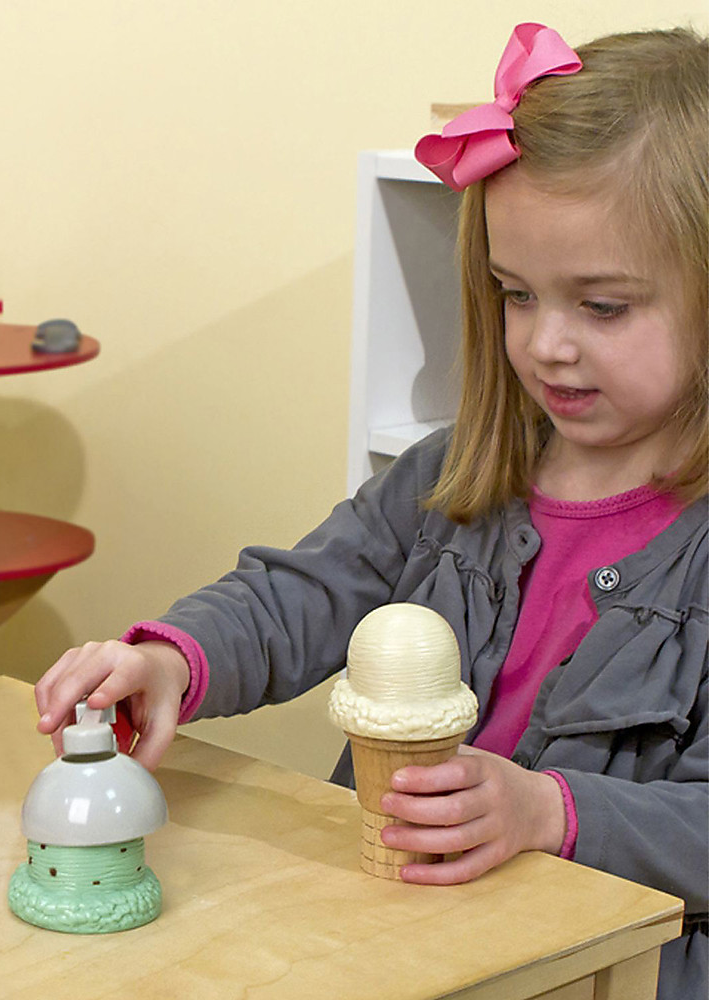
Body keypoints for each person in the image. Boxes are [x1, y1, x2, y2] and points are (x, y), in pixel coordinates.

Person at [35, 23, 707, 1000]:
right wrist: (171, 659)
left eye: (601, 307)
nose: (546, 344)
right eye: (515, 295)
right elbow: (303, 591)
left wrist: (549, 811)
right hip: (397, 950)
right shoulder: (452, 477)